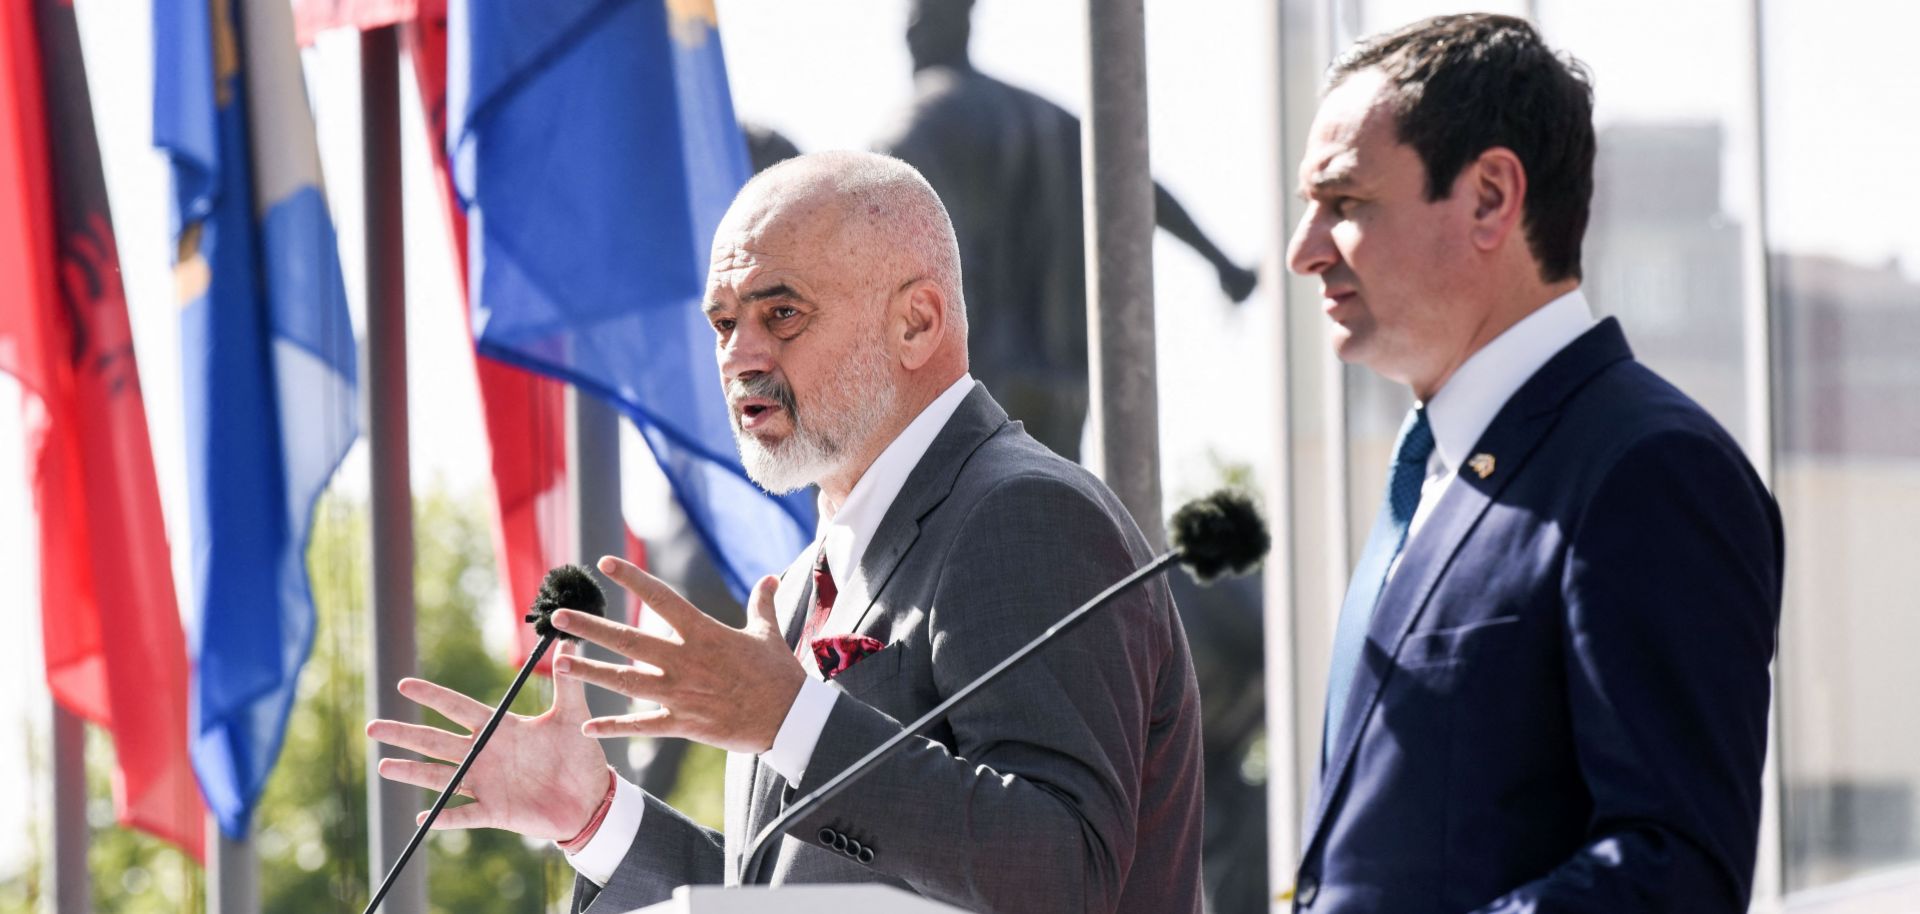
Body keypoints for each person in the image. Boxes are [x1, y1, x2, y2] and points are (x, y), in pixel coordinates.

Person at [367, 150, 1206, 913]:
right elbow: (783, 896)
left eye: (782, 313)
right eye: (724, 323)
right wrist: (596, 818)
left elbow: (1065, 873)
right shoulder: (808, 578)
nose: (740, 356)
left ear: (916, 322)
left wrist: (790, 718)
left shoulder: (1025, 515)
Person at [1285, 15, 1781, 913]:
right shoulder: (1427, 476)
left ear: (1489, 197)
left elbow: (1677, 868)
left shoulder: (1650, 469)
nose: (1304, 250)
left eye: (1346, 202)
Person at [876, 0, 1259, 462]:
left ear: (923, 30)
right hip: (1061, 376)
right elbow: (1133, 189)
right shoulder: (1043, 114)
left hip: (974, 378)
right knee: (1055, 519)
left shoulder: (918, 124)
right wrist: (1222, 263)